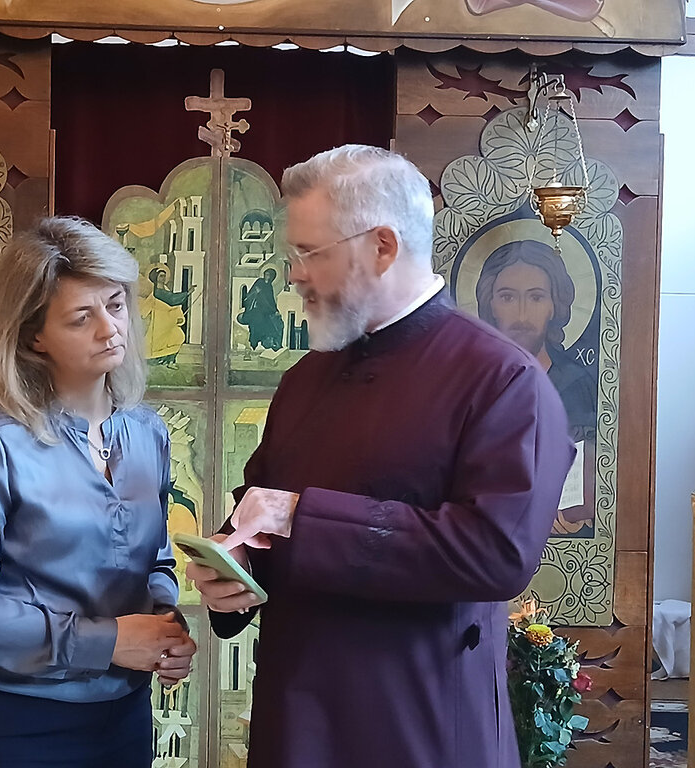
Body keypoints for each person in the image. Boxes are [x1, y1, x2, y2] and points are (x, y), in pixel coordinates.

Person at [187, 145, 575, 768]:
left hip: (417, 726)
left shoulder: (503, 380)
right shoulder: (307, 379)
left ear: (383, 247)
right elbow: (260, 507)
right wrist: (235, 566)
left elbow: (496, 554)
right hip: (297, 719)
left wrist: (302, 518)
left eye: (310, 253)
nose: (294, 275)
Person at [0, 217, 197, 768]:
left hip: (122, 716)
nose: (110, 329)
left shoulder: (148, 432)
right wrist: (107, 641)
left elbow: (155, 561)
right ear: (33, 336)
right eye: (81, 317)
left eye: (115, 305)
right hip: (5, 720)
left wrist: (165, 624)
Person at [475, 239, 596, 440]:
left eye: (536, 298)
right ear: (491, 304)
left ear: (554, 306)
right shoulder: (472, 381)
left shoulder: (575, 385)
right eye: (508, 298)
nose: (522, 316)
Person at [237, 268, 285, 352]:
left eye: (268, 275)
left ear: (272, 277)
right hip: (255, 308)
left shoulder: (269, 286)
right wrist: (258, 293)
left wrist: (275, 310)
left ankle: (274, 342)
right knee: (260, 320)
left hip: (266, 309)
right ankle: (261, 340)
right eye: (266, 274)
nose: (266, 277)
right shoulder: (259, 282)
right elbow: (251, 295)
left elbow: (271, 300)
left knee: (276, 322)